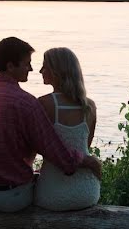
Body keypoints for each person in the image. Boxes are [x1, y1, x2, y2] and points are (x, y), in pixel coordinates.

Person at [0, 37, 102, 212]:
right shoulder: (27, 103)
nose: (31, 68)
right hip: (11, 198)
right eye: (26, 63)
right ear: (10, 66)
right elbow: (59, 156)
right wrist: (89, 162)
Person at [34, 47, 101, 210]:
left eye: (45, 66)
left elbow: (38, 147)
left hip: (53, 194)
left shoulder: (43, 104)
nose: (40, 70)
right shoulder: (89, 106)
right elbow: (86, 146)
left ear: (57, 71)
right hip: (87, 192)